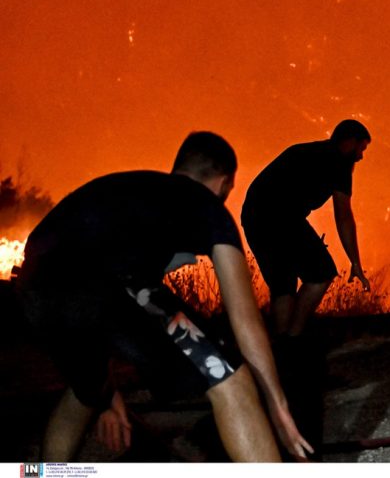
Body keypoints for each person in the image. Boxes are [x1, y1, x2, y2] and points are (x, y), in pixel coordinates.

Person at [16, 131, 312, 461]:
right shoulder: (205, 204)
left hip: (34, 288)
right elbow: (244, 317)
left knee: (85, 391)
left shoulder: (124, 189)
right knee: (229, 377)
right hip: (104, 282)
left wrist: (107, 397)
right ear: (224, 183)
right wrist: (277, 405)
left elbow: (99, 312)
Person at [241, 119, 371, 339]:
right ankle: (293, 338)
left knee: (283, 284)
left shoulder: (303, 151)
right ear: (349, 142)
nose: (360, 156)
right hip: (280, 217)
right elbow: (344, 217)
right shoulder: (338, 165)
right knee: (321, 273)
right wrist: (355, 262)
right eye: (361, 148)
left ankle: (281, 347)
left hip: (255, 217)